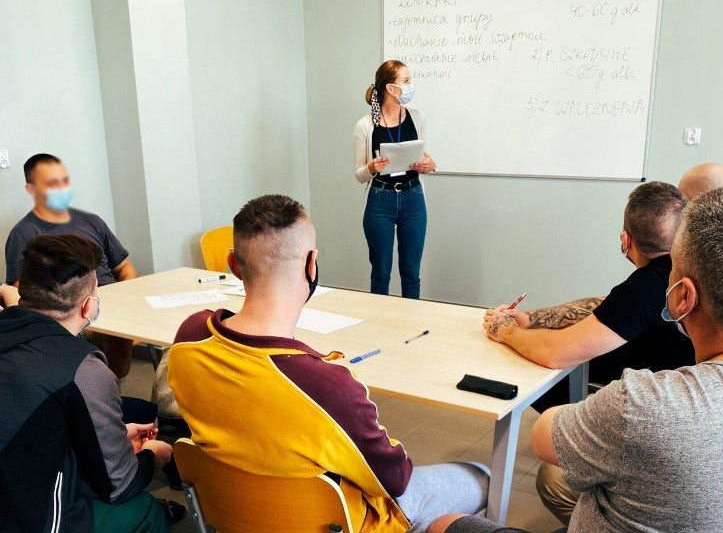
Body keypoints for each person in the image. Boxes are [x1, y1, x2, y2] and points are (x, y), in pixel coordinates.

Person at [430, 186, 723, 533]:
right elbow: (610, 305)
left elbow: (544, 435)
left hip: (613, 428)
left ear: (683, 297)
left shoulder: (644, 406)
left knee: (445, 523)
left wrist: (509, 331)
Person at [169, 194, 488, 533]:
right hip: (343, 522)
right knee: (481, 475)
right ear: (312, 265)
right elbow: (395, 480)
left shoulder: (189, 336)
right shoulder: (326, 385)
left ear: (233, 266)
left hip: (234, 511)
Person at [482, 181, 693, 525]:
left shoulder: (646, 285)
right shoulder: (676, 272)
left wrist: (507, 332)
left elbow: (556, 354)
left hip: (667, 427)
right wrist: (534, 318)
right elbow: (607, 307)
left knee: (549, 395)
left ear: (626, 240)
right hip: (678, 395)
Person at [0, 234, 173, 532]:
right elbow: (119, 486)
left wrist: (113, 438)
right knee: (143, 508)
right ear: (88, 307)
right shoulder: (84, 369)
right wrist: (154, 456)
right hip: (28, 519)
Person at [4, 153, 138, 381]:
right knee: (110, 337)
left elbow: (125, 267)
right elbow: (22, 293)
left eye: (64, 180)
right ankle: (102, 389)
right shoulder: (24, 233)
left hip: (108, 301)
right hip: (73, 312)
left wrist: (126, 295)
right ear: (32, 189)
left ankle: (109, 387)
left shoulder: (92, 221)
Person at [353, 60, 437, 299]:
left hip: (413, 198)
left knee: (411, 272)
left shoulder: (417, 118)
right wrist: (370, 167)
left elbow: (426, 158)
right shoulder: (365, 125)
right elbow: (359, 174)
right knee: (380, 272)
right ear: (390, 88)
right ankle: (380, 327)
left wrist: (430, 166)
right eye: (406, 81)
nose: (411, 86)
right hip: (380, 200)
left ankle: (410, 325)